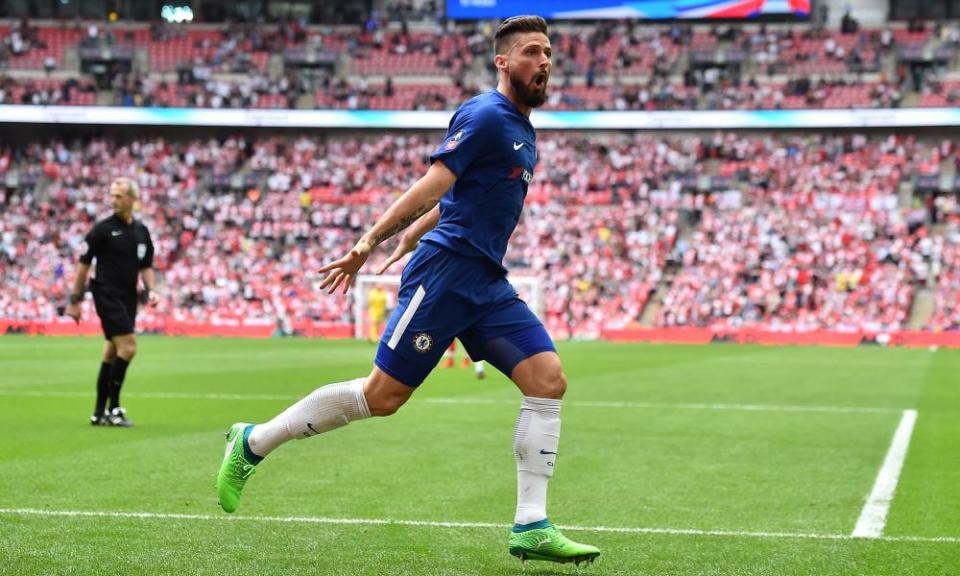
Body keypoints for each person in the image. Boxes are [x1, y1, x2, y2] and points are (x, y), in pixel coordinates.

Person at [216, 15, 599, 565]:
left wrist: (411, 236)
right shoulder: (487, 115)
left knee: (548, 380)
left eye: (547, 53)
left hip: (486, 281)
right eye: (533, 52)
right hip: (447, 275)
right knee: (383, 398)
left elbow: (455, 198)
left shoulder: (521, 129)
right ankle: (252, 442)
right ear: (503, 62)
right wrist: (370, 241)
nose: (545, 62)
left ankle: (530, 525)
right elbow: (434, 182)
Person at [66, 177, 158, 427]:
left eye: (118, 195)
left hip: (129, 297)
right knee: (128, 347)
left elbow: (146, 266)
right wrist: (74, 300)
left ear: (132, 199)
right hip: (106, 294)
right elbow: (83, 265)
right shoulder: (102, 229)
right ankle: (114, 408)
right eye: (111, 195)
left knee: (112, 351)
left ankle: (98, 412)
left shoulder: (141, 231)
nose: (113, 200)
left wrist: (152, 290)